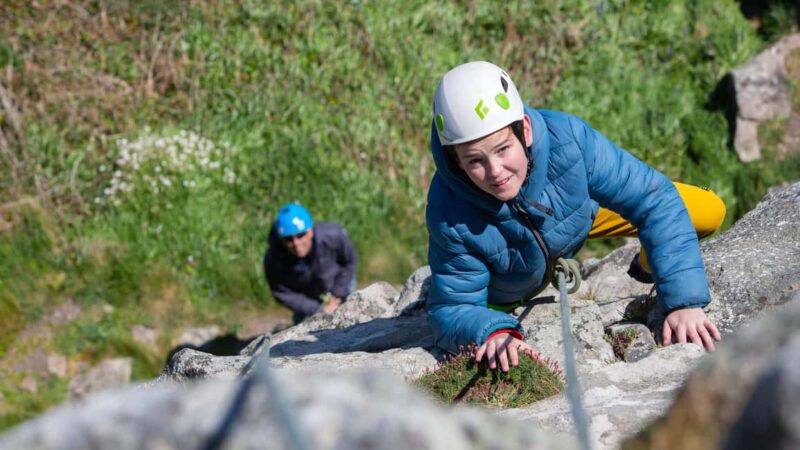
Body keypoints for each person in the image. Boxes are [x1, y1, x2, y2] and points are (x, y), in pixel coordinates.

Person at [426, 61, 725, 372]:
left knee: (706, 210)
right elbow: (453, 307)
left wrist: (683, 301)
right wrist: (492, 329)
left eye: (503, 149)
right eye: (474, 160)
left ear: (525, 130)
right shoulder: (448, 210)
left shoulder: (568, 140)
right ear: (456, 161)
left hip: (574, 216)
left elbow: (654, 199)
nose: (495, 172)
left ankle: (649, 264)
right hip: (503, 288)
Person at [264, 203, 357, 324]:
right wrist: (318, 309)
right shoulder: (273, 260)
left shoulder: (334, 236)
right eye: (288, 239)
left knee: (353, 319)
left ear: (310, 231)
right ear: (281, 240)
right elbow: (282, 292)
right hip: (307, 299)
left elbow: (349, 261)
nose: (296, 244)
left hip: (339, 284)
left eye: (300, 235)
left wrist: (337, 294)